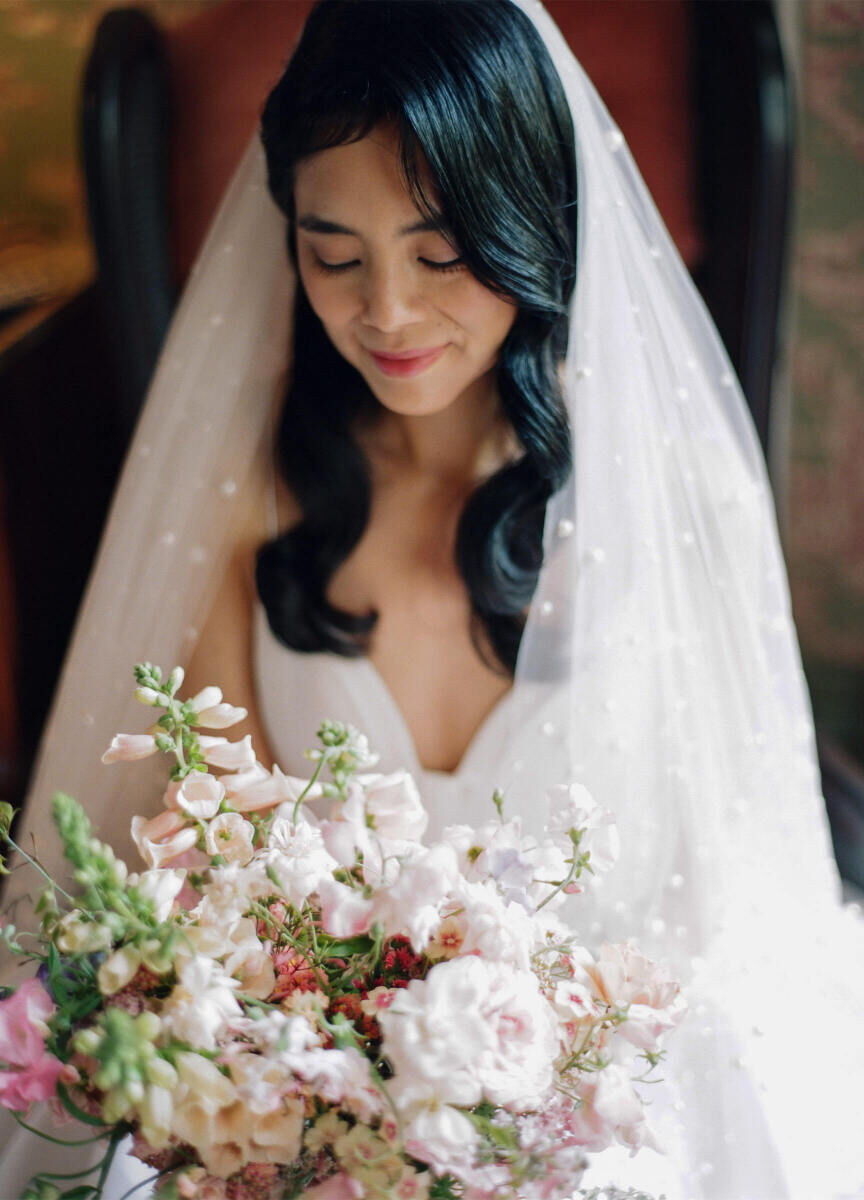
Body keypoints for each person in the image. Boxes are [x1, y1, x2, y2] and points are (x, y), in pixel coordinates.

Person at [2, 1, 863, 1197]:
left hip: (631, 1114)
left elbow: (733, 918)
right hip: (327, 1126)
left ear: (529, 222)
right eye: (334, 255)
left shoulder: (667, 496)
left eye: (442, 252)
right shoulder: (251, 498)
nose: (388, 312)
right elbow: (212, 874)